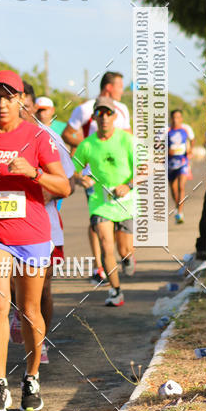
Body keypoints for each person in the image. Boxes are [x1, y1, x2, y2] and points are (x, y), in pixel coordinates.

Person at [0, 70, 70, 411]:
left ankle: (31, 378)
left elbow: (63, 187)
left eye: (9, 97)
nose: (2, 103)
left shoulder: (38, 137)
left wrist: (33, 173)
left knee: (29, 309)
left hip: (32, 234)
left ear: (21, 101)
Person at [14, 83, 75, 363]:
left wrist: (46, 193)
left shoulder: (48, 136)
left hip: (46, 224)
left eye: (29, 105)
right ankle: (21, 316)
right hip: (7, 226)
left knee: (44, 287)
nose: (25, 110)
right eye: (20, 103)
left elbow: (68, 181)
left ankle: (42, 340)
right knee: (14, 287)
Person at [62, 71, 131, 284]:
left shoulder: (123, 109)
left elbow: (129, 136)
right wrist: (89, 144)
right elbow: (67, 133)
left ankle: (123, 254)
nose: (122, 90)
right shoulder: (84, 109)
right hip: (92, 175)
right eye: (120, 86)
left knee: (121, 230)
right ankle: (98, 266)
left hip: (119, 178)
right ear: (109, 87)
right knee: (96, 220)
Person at [72, 96, 141, 307]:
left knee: (125, 249)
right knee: (105, 244)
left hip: (125, 201)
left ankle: (128, 258)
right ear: (93, 117)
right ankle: (115, 291)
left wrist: (128, 185)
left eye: (107, 113)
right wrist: (79, 178)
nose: (103, 118)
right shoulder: (86, 145)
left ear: (114, 116)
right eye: (99, 114)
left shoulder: (127, 140)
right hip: (99, 202)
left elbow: (144, 168)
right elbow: (72, 170)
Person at [168, 109, 192, 224]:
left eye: (178, 117)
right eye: (174, 117)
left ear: (181, 119)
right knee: (173, 190)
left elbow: (192, 140)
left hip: (183, 161)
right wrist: (167, 150)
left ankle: (180, 213)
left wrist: (190, 149)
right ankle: (178, 207)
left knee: (181, 186)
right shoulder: (166, 130)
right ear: (171, 118)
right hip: (170, 163)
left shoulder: (186, 129)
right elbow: (157, 145)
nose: (176, 120)